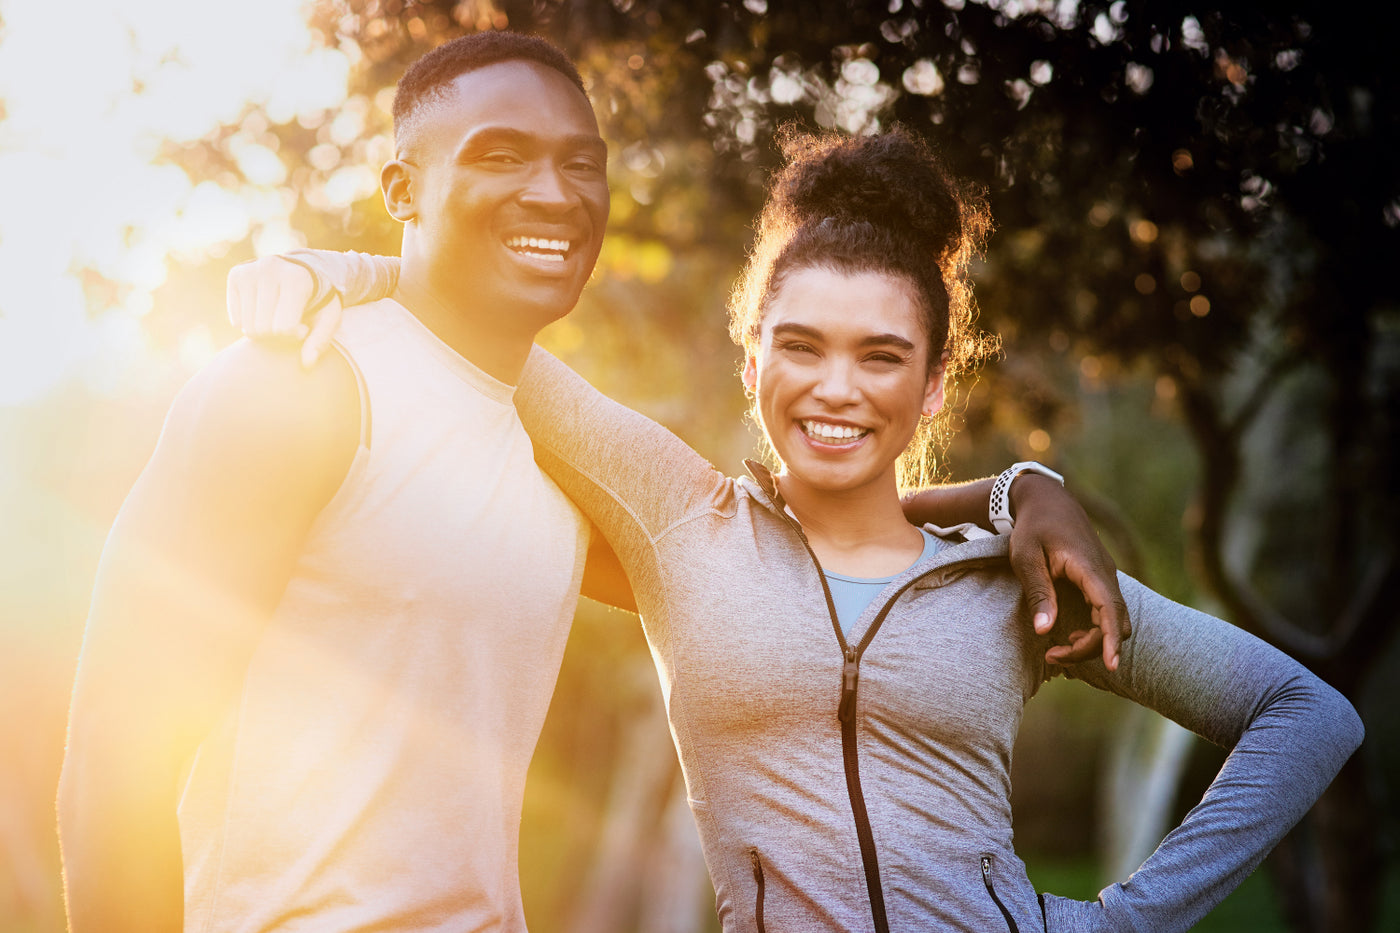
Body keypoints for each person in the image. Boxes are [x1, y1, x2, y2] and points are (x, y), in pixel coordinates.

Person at [58, 32, 1125, 933]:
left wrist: (1020, 490)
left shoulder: (556, 456)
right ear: (400, 189)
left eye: (582, 164)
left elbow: (800, 543)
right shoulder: (295, 388)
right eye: (502, 156)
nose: (553, 194)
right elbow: (117, 749)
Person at [239, 126, 1363, 931]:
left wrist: (1119, 921)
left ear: (930, 389)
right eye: (802, 346)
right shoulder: (679, 519)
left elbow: (1303, 716)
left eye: (881, 357)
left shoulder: (1014, 579)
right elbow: (475, 322)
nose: (836, 388)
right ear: (752, 358)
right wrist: (335, 269)